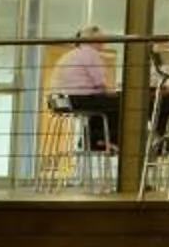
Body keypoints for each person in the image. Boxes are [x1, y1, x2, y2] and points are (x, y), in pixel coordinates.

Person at [50, 27, 118, 157]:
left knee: (102, 104)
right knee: (118, 103)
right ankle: (103, 140)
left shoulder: (70, 54)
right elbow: (100, 83)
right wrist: (113, 93)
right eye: (102, 39)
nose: (104, 42)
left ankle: (92, 140)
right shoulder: (91, 54)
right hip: (78, 100)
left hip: (59, 101)